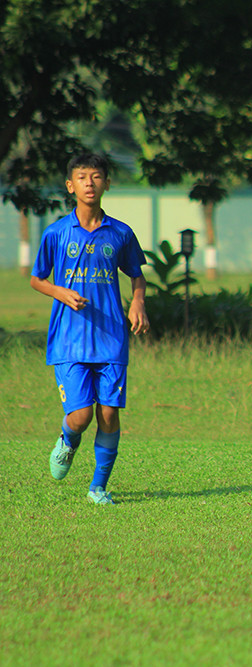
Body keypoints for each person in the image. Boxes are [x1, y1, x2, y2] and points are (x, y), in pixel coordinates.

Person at [30, 153, 149, 506]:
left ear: (107, 183)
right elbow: (37, 279)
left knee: (109, 413)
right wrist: (60, 291)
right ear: (70, 186)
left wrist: (138, 302)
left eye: (96, 176)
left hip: (111, 338)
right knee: (81, 417)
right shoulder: (56, 233)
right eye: (82, 177)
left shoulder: (121, 233)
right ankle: (67, 441)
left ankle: (98, 487)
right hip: (69, 339)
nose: (89, 183)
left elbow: (137, 275)